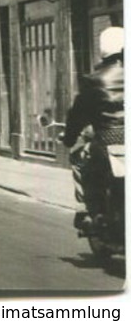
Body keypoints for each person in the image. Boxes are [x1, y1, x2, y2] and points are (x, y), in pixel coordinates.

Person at [62, 26, 124, 227]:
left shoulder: (93, 80)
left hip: (108, 139)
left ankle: (88, 210)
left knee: (80, 159)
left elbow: (77, 115)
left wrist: (69, 138)